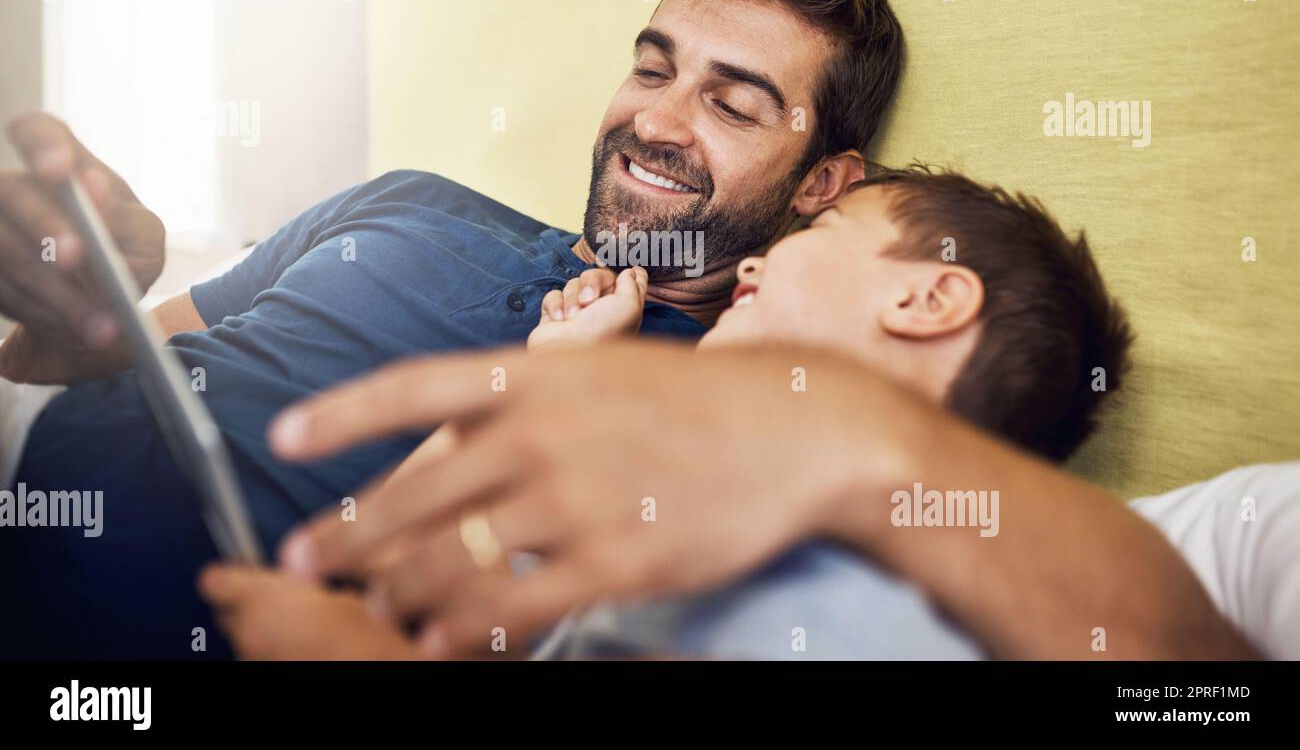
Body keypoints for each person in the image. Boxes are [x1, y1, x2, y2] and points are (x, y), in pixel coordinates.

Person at [0, 0, 904, 659]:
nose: (657, 120)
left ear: (822, 182)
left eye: (733, 105)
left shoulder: (709, 405)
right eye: (653, 68)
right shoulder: (408, 201)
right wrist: (86, 315)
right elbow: (73, 364)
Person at [199, 168, 1259, 659]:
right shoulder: (650, 519)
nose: (754, 256)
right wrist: (554, 369)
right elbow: (375, 584)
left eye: (823, 226)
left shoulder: (977, 598)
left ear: (926, 295)